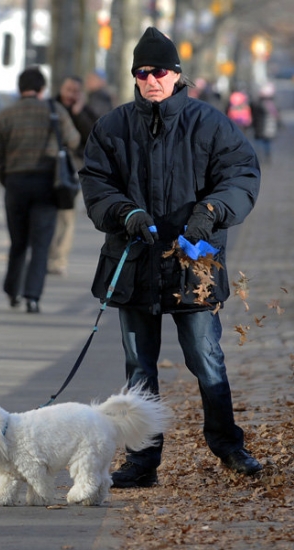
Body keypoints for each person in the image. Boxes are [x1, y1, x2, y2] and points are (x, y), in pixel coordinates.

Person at [79, 27, 262, 488]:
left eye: (158, 71)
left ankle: (228, 446)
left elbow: (240, 175)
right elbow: (97, 185)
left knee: (206, 356)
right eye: (141, 72)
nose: (150, 79)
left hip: (192, 262)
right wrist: (127, 213)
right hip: (135, 261)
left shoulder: (210, 122)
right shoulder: (112, 126)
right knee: (138, 368)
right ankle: (142, 461)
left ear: (176, 74)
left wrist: (211, 211)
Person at [0, 66, 80, 313]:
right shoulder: (54, 111)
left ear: (20, 88)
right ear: (42, 89)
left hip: (15, 183)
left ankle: (12, 291)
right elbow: (73, 140)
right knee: (41, 243)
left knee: (18, 241)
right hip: (46, 183)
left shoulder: (6, 115)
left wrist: (5, 179)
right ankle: (33, 296)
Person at [47, 76, 98, 276]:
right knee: (48, 214)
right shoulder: (50, 107)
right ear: (61, 89)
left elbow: (93, 136)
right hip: (50, 167)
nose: (70, 95)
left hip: (72, 168)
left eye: (75, 91)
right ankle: (47, 254)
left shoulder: (85, 112)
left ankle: (59, 259)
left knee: (67, 215)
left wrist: (78, 114)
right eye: (68, 89)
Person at [251, 82, 280, 164]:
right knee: (267, 144)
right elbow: (277, 115)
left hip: (260, 127)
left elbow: (253, 111)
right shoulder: (273, 104)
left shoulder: (259, 103)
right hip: (269, 129)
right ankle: (267, 157)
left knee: (259, 143)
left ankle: (259, 158)